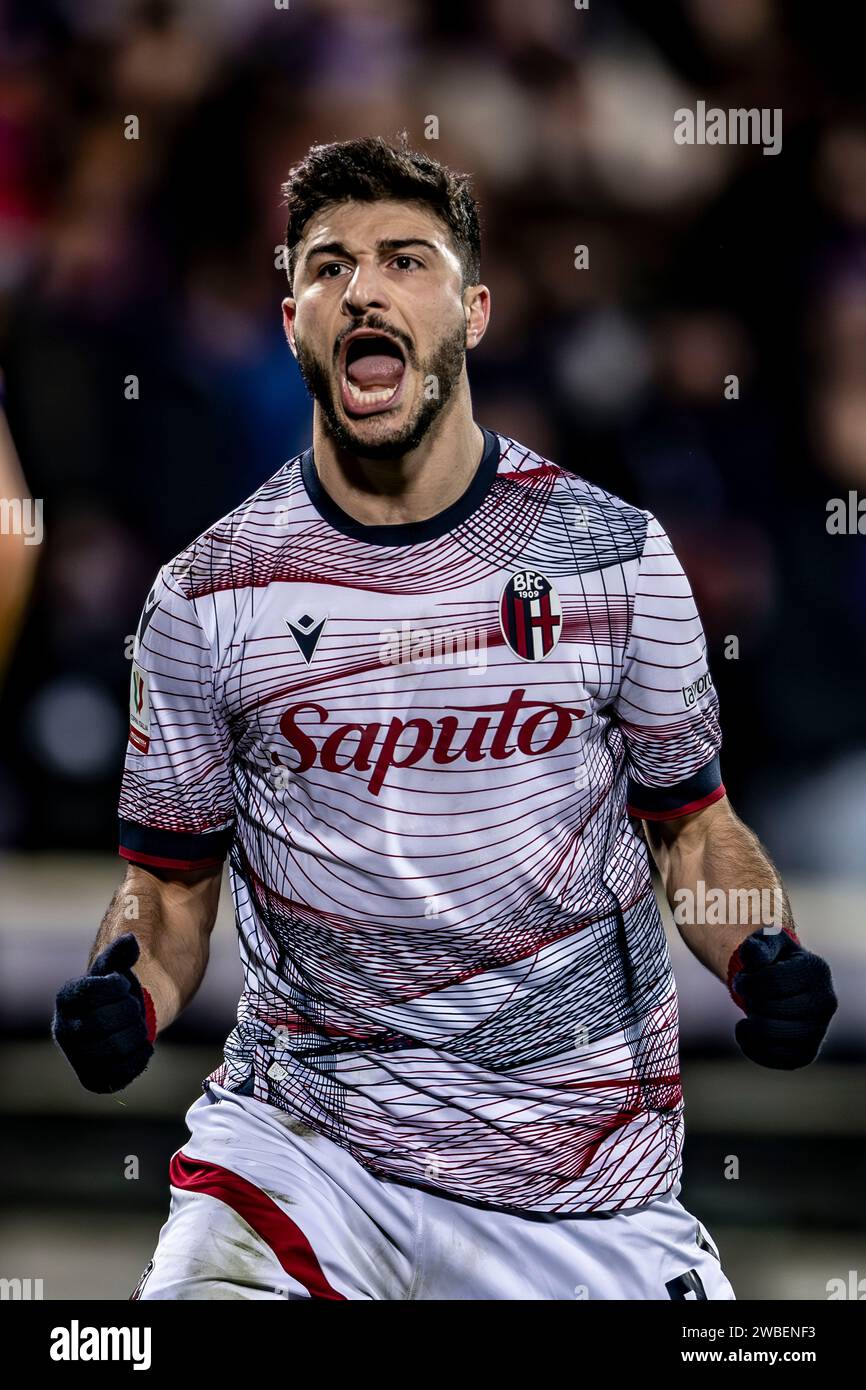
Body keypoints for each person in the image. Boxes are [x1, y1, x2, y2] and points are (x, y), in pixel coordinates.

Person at [52, 135, 837, 1301]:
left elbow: (691, 826)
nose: (361, 288)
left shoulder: (612, 556)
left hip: (581, 1185)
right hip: (305, 1153)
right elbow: (169, 891)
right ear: (290, 321)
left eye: (403, 260)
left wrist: (755, 950)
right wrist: (129, 986)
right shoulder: (205, 595)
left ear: (470, 312)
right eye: (326, 267)